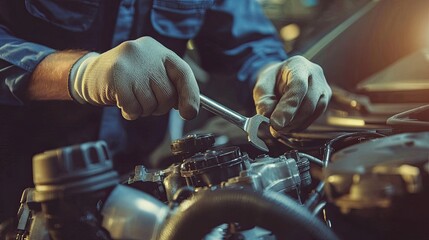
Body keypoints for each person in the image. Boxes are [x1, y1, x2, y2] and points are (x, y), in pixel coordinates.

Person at [0, 0, 331, 222]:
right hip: (10, 185)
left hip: (128, 192)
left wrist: (274, 72)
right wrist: (77, 72)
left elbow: (248, 42)